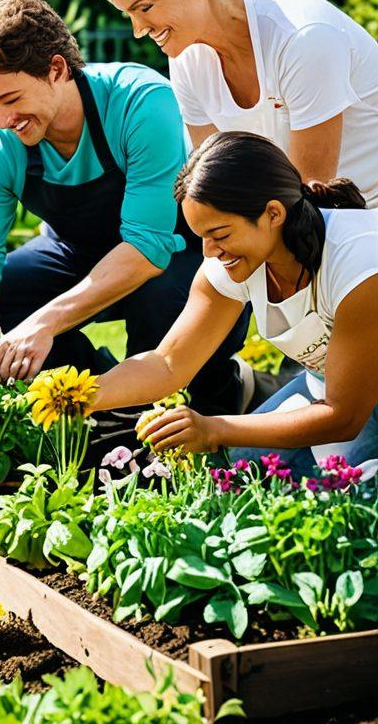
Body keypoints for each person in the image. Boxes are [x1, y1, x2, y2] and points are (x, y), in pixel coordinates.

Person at [0, 0, 249, 413]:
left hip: (174, 253)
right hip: (75, 252)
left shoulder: (141, 103)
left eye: (11, 100)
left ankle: (207, 402)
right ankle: (90, 396)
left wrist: (43, 322)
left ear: (56, 69)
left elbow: (147, 247)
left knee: (159, 298)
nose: (2, 120)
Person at [94, 131, 378, 474]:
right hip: (331, 389)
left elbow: (342, 416)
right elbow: (167, 364)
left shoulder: (360, 264)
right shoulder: (239, 262)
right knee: (235, 475)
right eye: (202, 237)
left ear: (273, 214)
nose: (208, 252)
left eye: (221, 234)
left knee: (340, 494)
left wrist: (214, 429)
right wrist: (80, 396)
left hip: (351, 404)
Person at [84, 0, 378, 206]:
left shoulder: (304, 39)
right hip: (290, 223)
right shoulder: (185, 59)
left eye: (144, 8)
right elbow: (218, 187)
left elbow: (312, 200)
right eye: (128, 15)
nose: (138, 30)